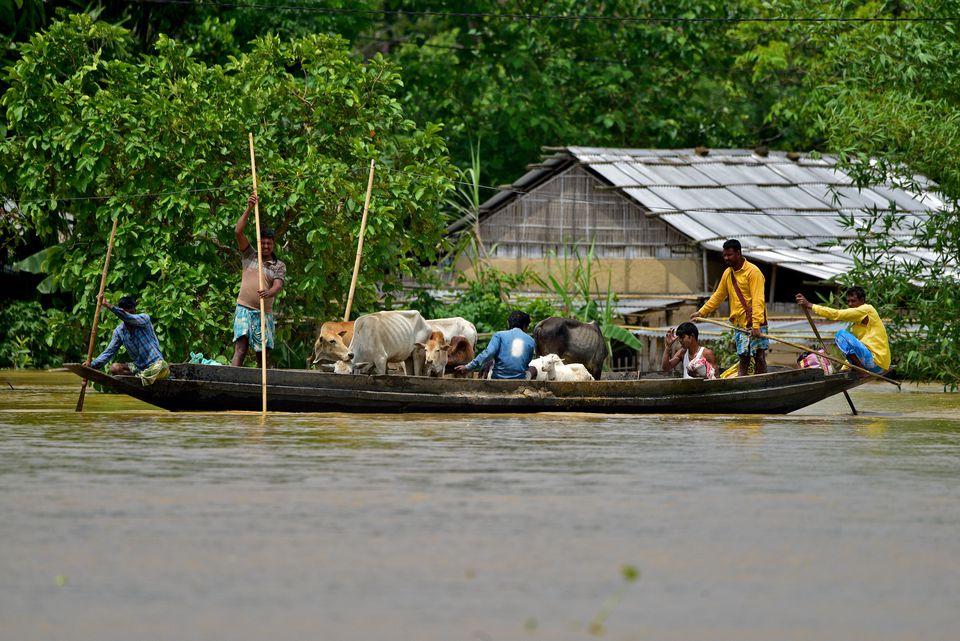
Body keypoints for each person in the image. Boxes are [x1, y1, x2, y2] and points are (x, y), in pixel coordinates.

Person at [691, 238, 768, 376]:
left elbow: (758, 300)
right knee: (743, 356)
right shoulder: (728, 273)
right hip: (739, 324)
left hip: (755, 322)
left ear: (738, 253)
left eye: (729, 255)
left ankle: (762, 382)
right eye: (724, 255)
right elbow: (718, 296)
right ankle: (743, 383)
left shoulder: (753, 272)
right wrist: (701, 312)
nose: (726, 258)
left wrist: (756, 325)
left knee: (759, 357)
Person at [231, 193, 286, 368]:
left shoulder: (278, 265)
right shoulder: (249, 255)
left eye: (269, 244)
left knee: (262, 355)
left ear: (273, 244)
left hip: (263, 313)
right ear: (259, 243)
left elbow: (278, 286)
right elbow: (238, 231)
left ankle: (259, 387)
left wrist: (268, 292)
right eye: (263, 243)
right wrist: (249, 208)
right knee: (240, 348)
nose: (265, 246)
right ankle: (232, 381)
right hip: (243, 309)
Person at [795, 287, 890, 375]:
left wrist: (810, 305)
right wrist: (844, 369)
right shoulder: (857, 325)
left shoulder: (866, 309)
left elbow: (837, 314)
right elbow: (853, 351)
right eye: (848, 301)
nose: (850, 304)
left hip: (876, 363)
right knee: (846, 339)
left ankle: (861, 371)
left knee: (841, 335)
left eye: (853, 301)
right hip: (879, 365)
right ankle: (859, 369)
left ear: (862, 301)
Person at [90, 295, 170, 385]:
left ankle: (139, 378)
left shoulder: (144, 319)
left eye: (132, 312)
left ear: (135, 311)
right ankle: (141, 378)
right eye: (126, 313)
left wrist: (107, 305)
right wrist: (91, 365)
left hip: (155, 365)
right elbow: (109, 352)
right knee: (115, 368)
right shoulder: (119, 331)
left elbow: (128, 317)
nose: (129, 316)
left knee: (163, 366)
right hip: (139, 367)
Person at [455, 311, 536, 379]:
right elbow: (527, 362)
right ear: (525, 326)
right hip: (520, 380)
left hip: (498, 378)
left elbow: (488, 353)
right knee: (533, 369)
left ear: (509, 324)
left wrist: (468, 367)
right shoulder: (531, 340)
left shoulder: (499, 335)